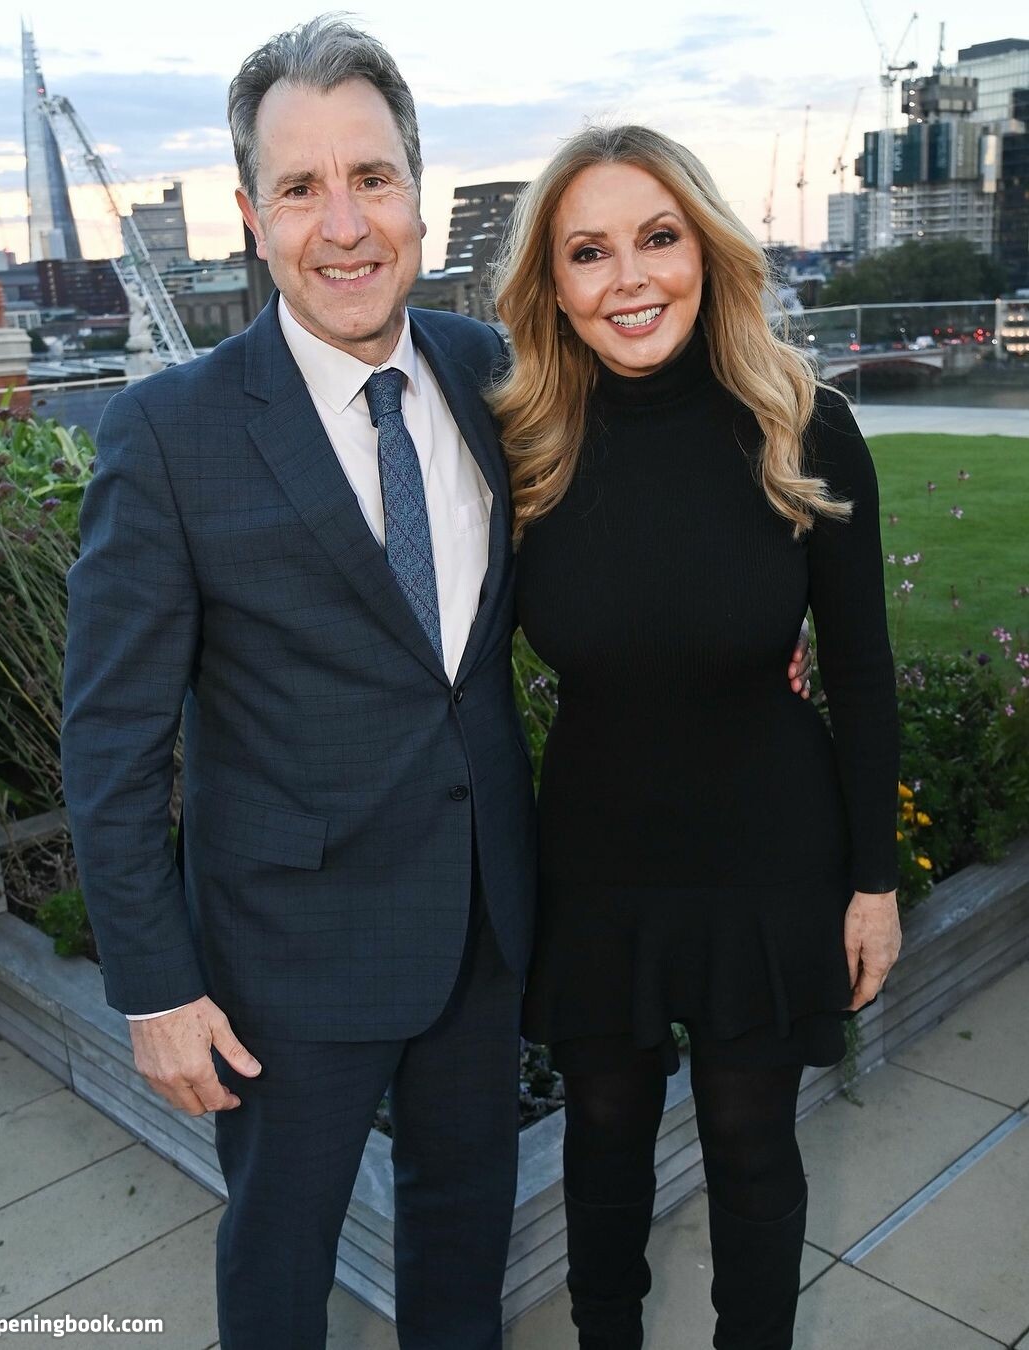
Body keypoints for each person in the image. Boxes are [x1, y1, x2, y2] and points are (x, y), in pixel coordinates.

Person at [61, 21, 813, 1345]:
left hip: (484, 927)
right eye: (301, 188)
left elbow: (646, 478)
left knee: (464, 1235)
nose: (345, 224)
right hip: (284, 962)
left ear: (419, 192)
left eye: (373, 178)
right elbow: (110, 740)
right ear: (251, 217)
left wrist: (743, 635)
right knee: (280, 1260)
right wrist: (155, 988)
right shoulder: (170, 435)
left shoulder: (495, 378)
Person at [490, 125, 902, 1350]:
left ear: (707, 250)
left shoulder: (803, 425)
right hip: (597, 859)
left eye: (658, 238)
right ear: (553, 283)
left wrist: (874, 882)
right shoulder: (520, 448)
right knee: (604, 1138)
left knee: (751, 1142)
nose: (630, 279)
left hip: (767, 851)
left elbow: (862, 676)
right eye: (589, 251)